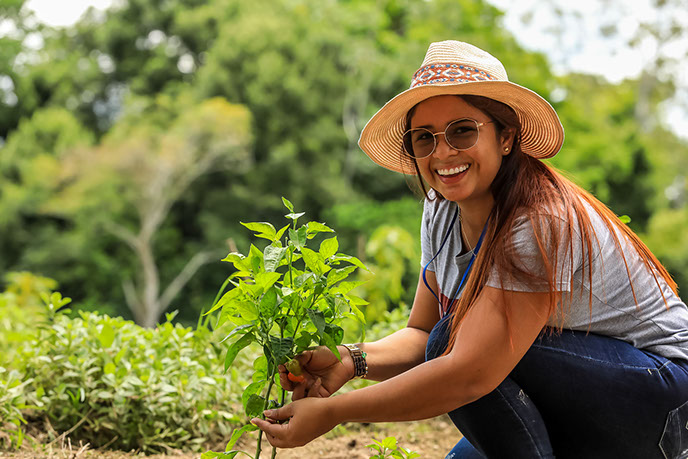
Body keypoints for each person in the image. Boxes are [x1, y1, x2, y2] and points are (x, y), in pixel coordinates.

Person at [251, 40, 688, 458]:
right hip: (588, 395)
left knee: (455, 342)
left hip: (665, 401)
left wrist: (333, 412)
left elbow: (468, 372)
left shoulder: (539, 219)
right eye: (424, 137)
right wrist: (351, 360)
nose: (442, 153)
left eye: (462, 131)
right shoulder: (440, 210)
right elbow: (421, 334)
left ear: (505, 137)